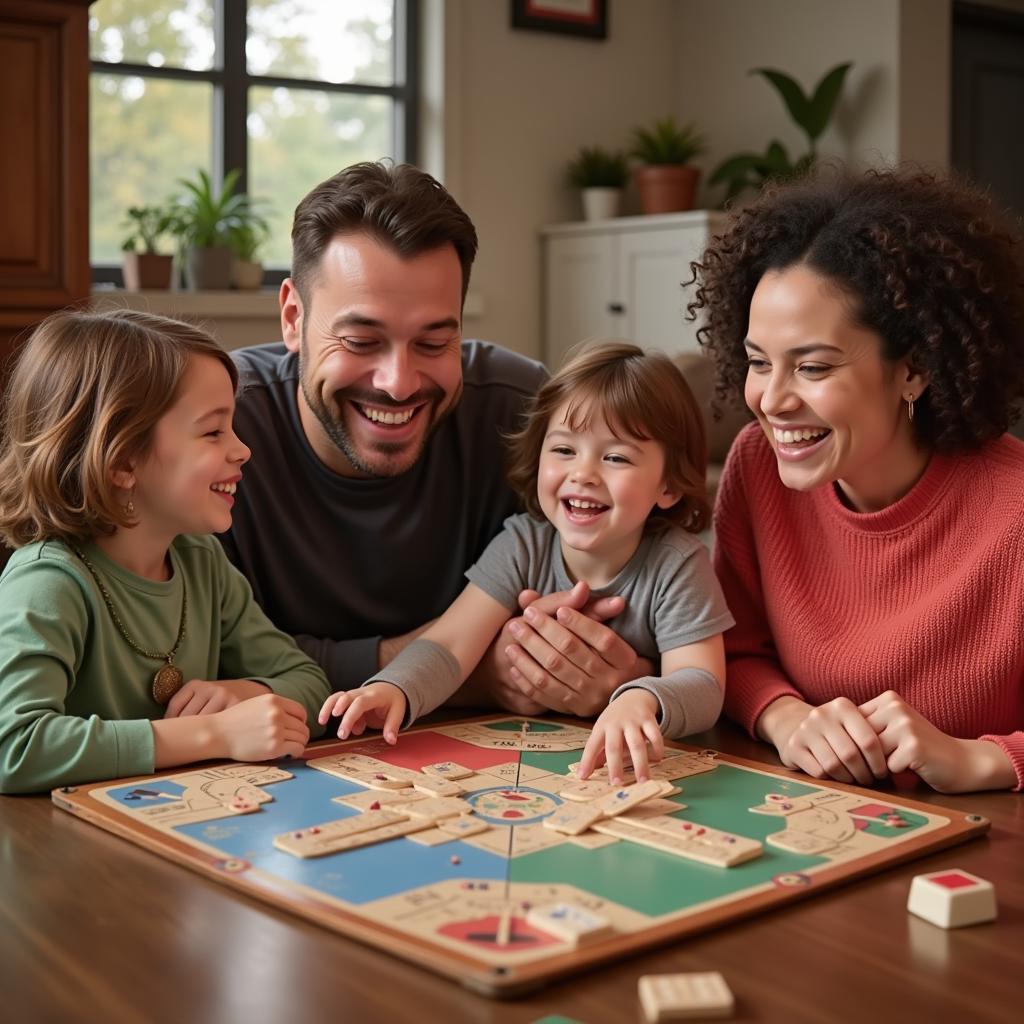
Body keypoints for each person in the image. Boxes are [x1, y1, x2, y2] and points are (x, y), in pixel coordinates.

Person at [221, 161, 658, 717]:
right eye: (361, 340)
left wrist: (625, 676)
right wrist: (470, 672)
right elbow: (204, 667)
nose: (399, 383)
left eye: (433, 343)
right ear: (292, 317)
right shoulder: (216, 427)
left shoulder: (525, 410)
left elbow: (649, 591)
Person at [690, 166, 1024, 793]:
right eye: (760, 362)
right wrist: (787, 718)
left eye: (813, 366)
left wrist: (981, 758)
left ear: (915, 370)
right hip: (816, 822)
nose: (772, 401)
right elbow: (728, 649)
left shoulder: (1016, 513)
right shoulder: (756, 464)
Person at [318, 342, 735, 782]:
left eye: (615, 457)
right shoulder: (522, 542)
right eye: (563, 450)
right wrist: (394, 686)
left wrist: (640, 699)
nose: (584, 473)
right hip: (525, 761)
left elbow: (705, 687)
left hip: (625, 773)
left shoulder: (678, 563)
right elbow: (449, 644)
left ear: (668, 485)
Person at [0, 310, 332, 794]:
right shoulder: (47, 584)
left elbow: (307, 681)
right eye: (213, 432)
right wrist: (212, 734)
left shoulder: (202, 563)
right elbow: (15, 746)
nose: (242, 450)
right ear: (121, 461)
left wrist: (244, 693)